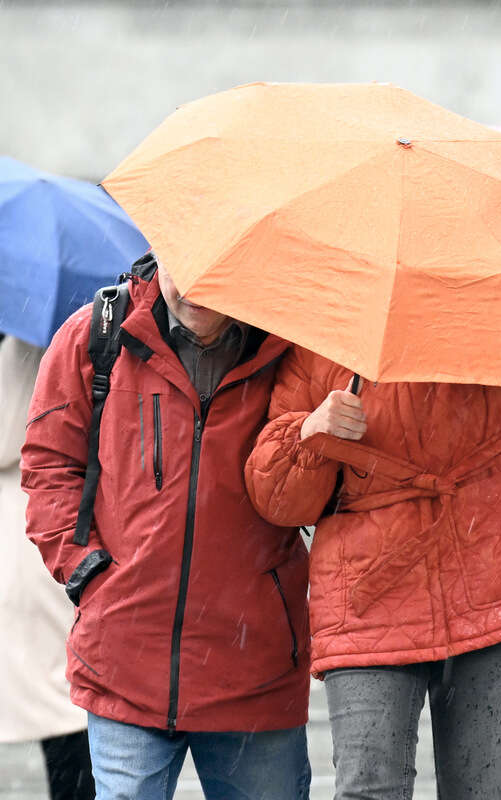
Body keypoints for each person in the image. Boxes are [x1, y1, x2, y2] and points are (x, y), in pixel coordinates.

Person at [21, 253, 312, 800]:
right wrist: (87, 571)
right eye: (188, 263)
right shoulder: (95, 337)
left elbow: (309, 494)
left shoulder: (290, 347)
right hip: (124, 658)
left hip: (255, 666)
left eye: (217, 266)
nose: (198, 286)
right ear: (160, 252)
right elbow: (47, 466)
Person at [244, 350, 501, 799]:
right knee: (369, 788)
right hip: (368, 582)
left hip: (491, 564)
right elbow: (280, 503)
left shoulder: (481, 312)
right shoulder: (319, 329)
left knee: (479, 789)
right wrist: (310, 433)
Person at [0, 334, 94, 799]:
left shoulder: (31, 340)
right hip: (85, 510)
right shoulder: (111, 321)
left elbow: (1, 439)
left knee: (55, 700)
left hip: (35, 523)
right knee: (75, 688)